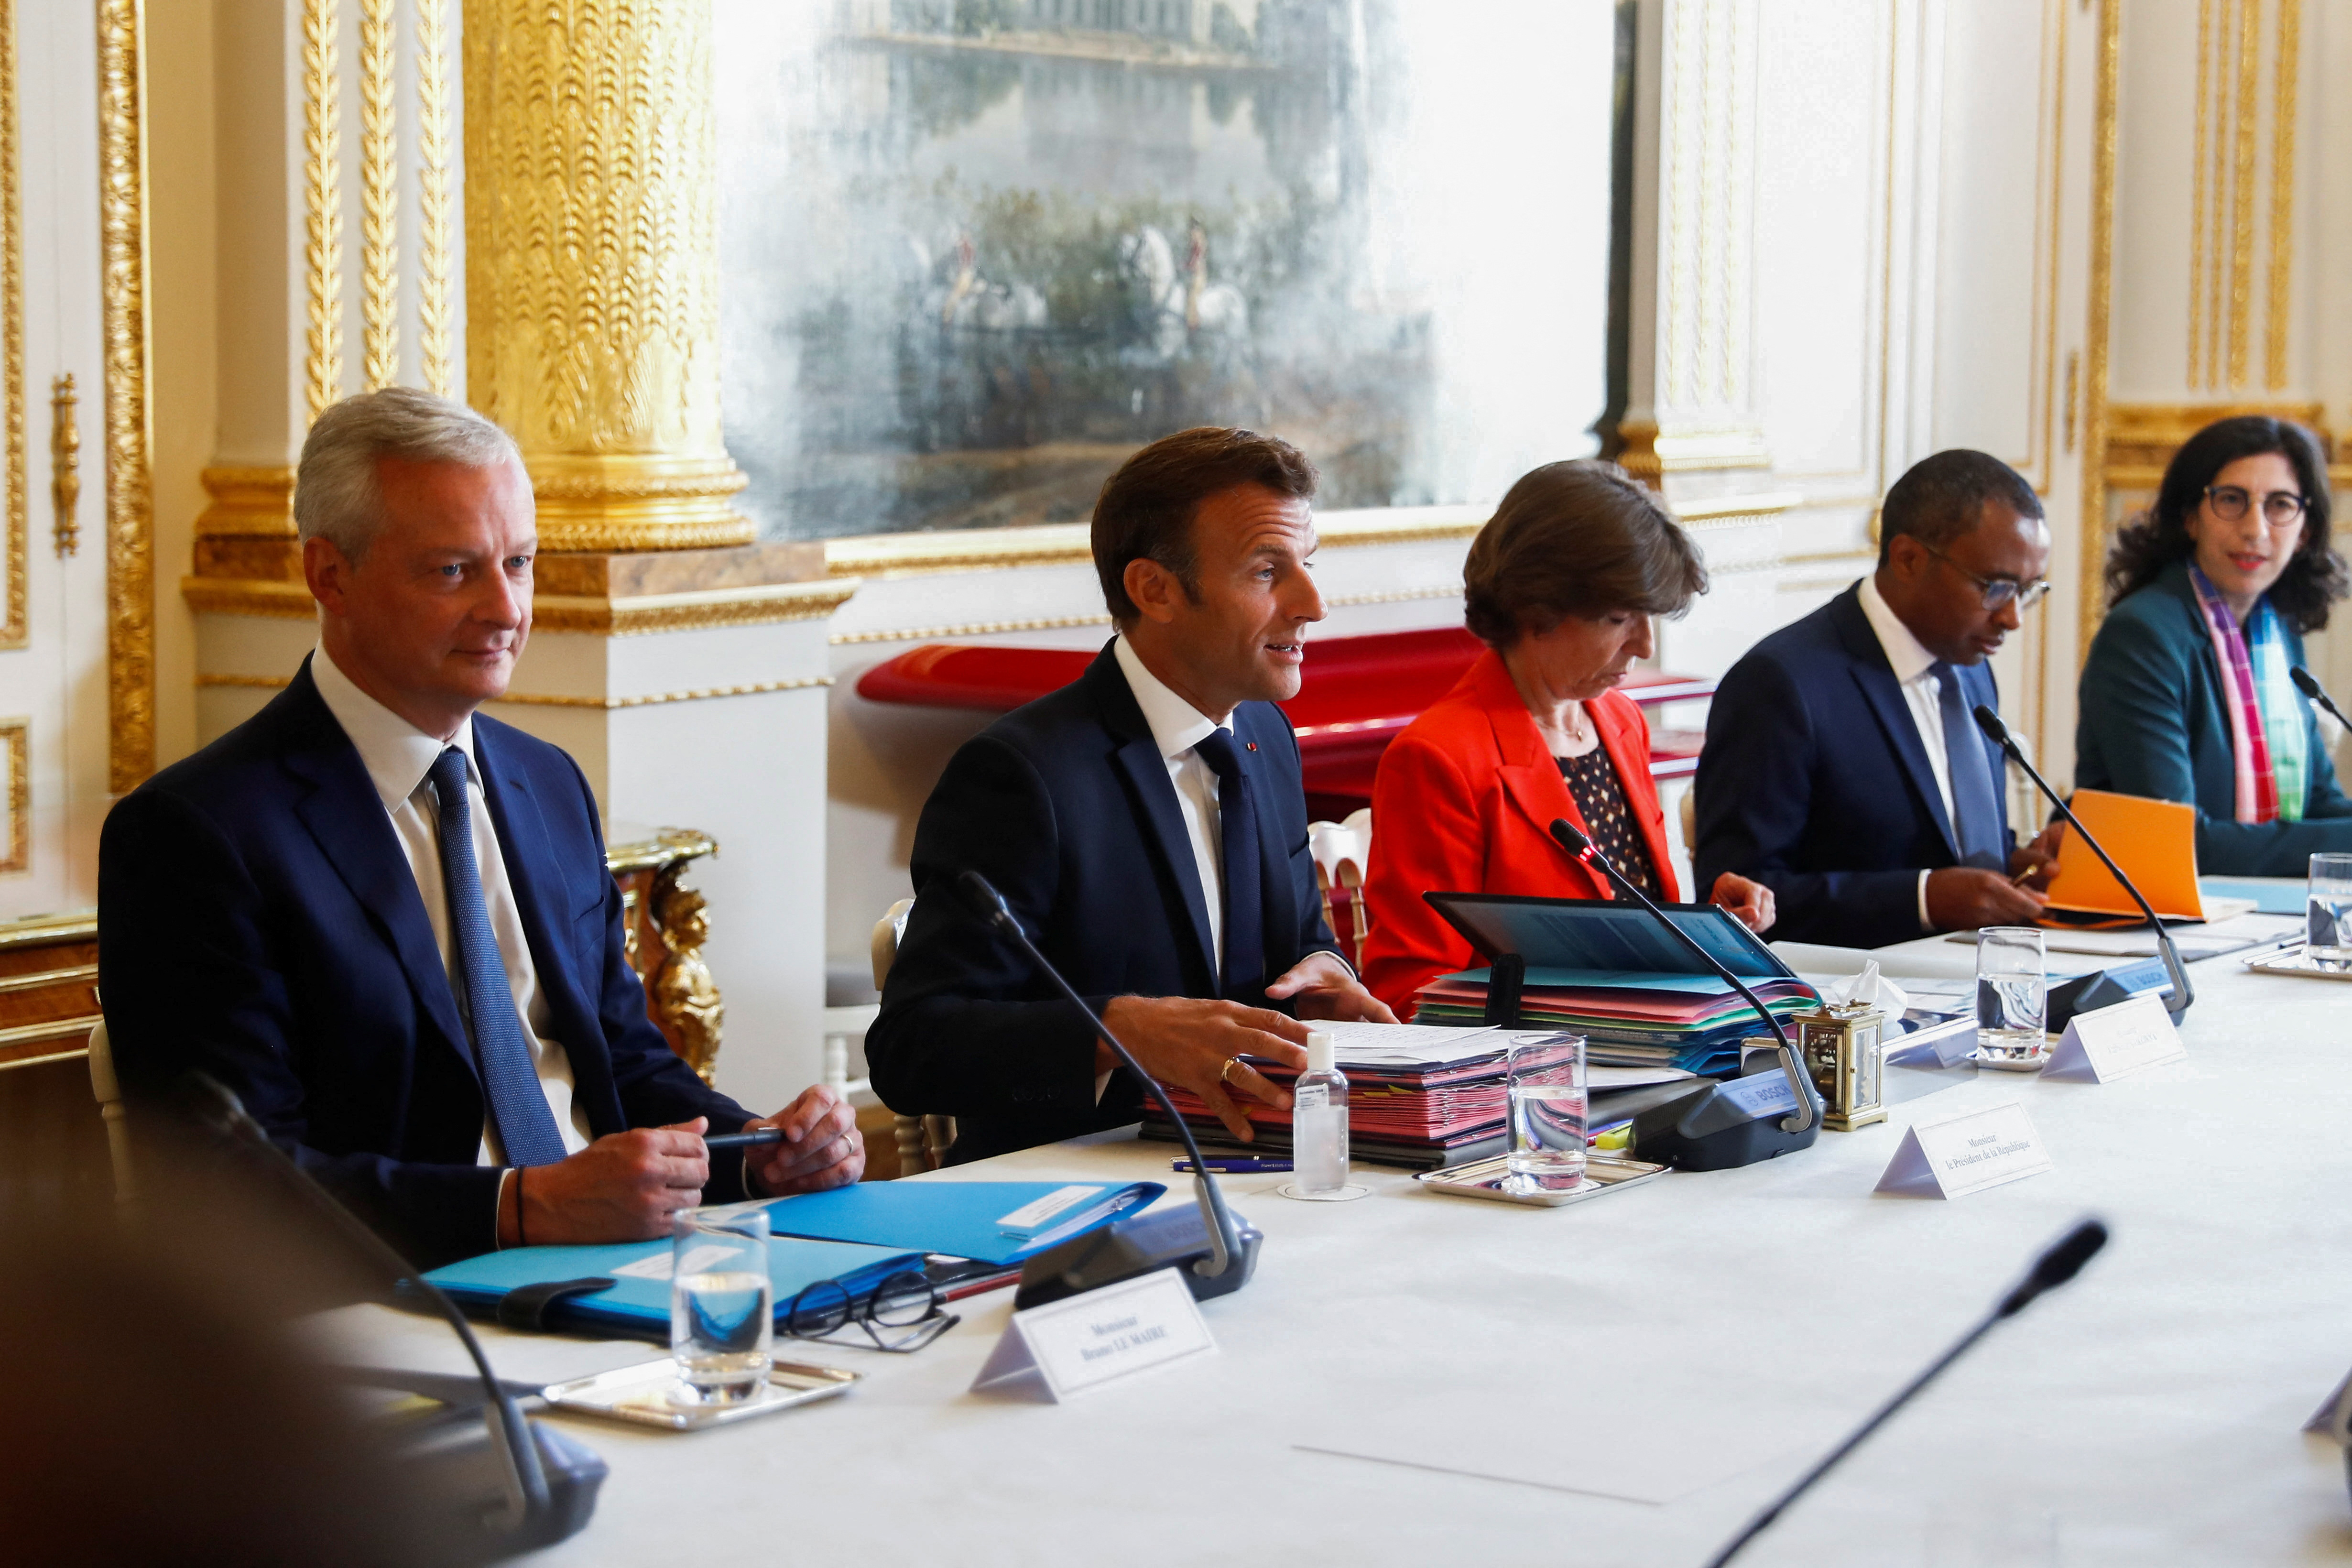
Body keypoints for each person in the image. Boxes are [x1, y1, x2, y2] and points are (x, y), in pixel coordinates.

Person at [99, 388, 861, 1269]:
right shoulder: (197, 834)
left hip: (623, 1265)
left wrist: (756, 1151)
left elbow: (624, 1064)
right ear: (329, 575)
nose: (508, 610)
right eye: (454, 571)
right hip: (402, 1299)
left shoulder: (548, 782)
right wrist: (520, 1209)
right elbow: (224, 1182)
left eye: (520, 563)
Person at [866, 426, 1394, 1164]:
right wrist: (1115, 1031)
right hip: (1083, 1186)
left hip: (1265, 1163)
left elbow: (1300, 938)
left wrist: (1325, 973)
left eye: (1308, 564)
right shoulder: (1021, 775)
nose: (1313, 604)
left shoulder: (1264, 734)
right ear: (1155, 590)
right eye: (1267, 571)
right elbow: (913, 1047)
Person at [1359, 460, 1776, 1018]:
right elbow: (1409, 989)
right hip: (1534, 1064)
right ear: (1538, 608)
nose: (1645, 645)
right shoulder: (1439, 757)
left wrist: (1707, 926)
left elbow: (1616, 930)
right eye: (1620, 618)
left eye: (1649, 617)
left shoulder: (1621, 720)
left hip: (1652, 1047)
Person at [1694, 449, 2062, 948]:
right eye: (1996, 588)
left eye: (2029, 591)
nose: (2013, 618)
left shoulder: (1972, 669)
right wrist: (1921, 900)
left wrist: (2016, 868)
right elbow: (1733, 900)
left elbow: (1943, 844)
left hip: (1987, 970)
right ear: (1908, 559)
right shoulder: (1781, 683)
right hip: (1851, 988)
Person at [2076, 415, 2352, 873]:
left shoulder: (2276, 632)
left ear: (2305, 530)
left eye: (2280, 505)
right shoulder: (2142, 636)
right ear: (2190, 517)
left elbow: (2317, 802)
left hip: (2254, 906)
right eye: (2231, 500)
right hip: (2149, 907)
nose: (2255, 529)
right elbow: (2178, 841)